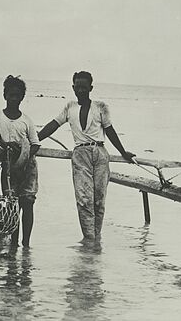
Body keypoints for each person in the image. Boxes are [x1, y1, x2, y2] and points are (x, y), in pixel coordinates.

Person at [38, 71, 135, 246]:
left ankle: (96, 239)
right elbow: (53, 125)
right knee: (84, 199)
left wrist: (123, 152)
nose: (81, 90)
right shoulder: (69, 107)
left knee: (99, 199)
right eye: (78, 87)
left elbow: (110, 131)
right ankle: (88, 238)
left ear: (90, 88)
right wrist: (34, 139)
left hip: (100, 153)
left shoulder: (101, 107)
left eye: (84, 87)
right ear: (73, 88)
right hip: (80, 154)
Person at [0, 75, 40, 248]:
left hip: (27, 167)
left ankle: (26, 244)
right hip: (9, 167)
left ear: (22, 98)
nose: (14, 99)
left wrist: (23, 157)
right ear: (5, 95)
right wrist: (7, 147)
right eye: (11, 95)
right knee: (11, 206)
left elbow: (35, 143)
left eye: (18, 96)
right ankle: (14, 243)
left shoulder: (26, 120)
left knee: (28, 203)